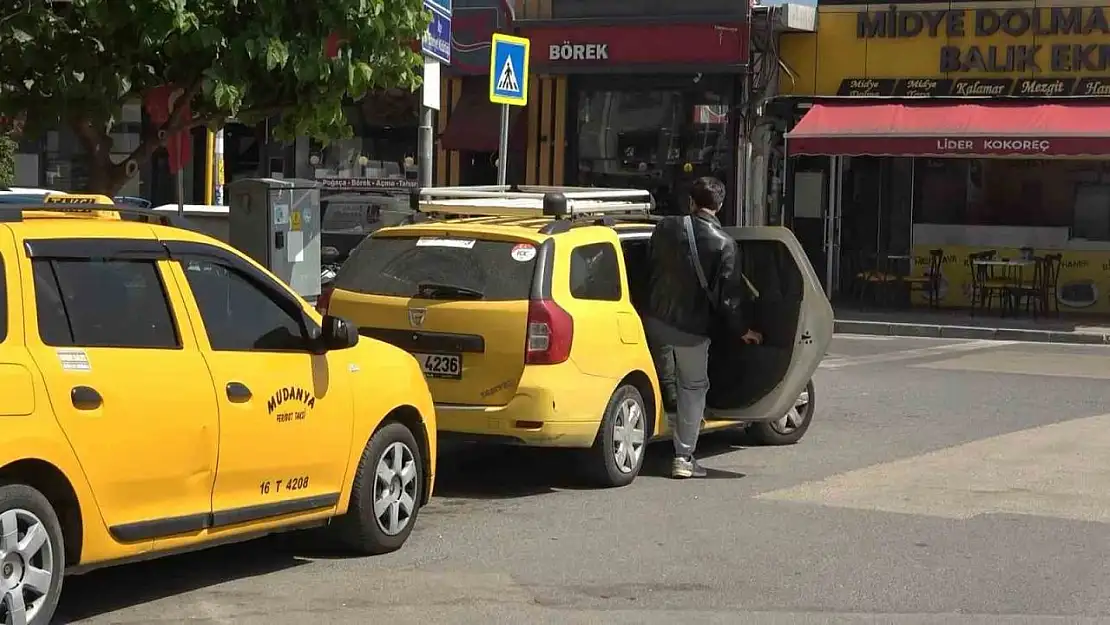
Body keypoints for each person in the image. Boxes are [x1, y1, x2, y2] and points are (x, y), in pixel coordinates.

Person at [644, 176, 762, 479]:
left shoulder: (665, 227)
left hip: (653, 321)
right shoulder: (726, 244)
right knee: (693, 387)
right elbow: (729, 300)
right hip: (690, 331)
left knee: (657, 376)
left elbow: (649, 265)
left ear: (691, 203)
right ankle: (683, 457)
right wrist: (742, 331)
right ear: (719, 206)